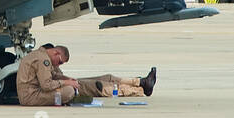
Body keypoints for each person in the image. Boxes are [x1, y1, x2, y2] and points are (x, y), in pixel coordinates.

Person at [15, 44, 156, 106]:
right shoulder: (43, 59)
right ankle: (138, 90)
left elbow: (53, 77)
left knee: (105, 78)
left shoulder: (44, 58)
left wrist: (67, 79)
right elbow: (46, 85)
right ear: (55, 52)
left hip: (38, 91)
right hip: (32, 96)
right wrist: (67, 83)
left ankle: (139, 82)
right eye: (59, 62)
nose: (59, 65)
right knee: (82, 88)